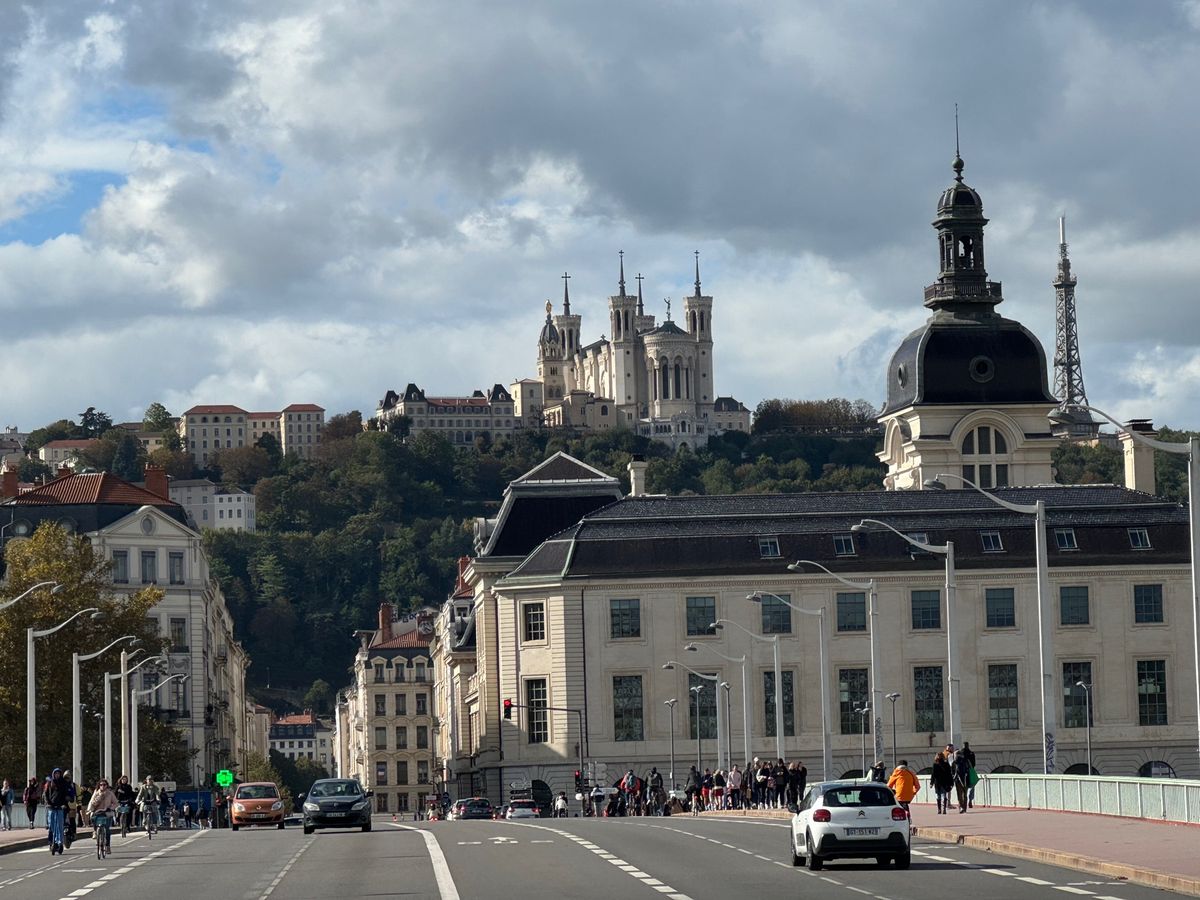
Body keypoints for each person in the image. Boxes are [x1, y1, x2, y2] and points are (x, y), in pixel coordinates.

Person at [43, 768, 70, 854]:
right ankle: (52, 841)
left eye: (58, 774)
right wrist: (48, 803)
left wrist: (65, 804)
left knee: (60, 826)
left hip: (60, 807)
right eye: (56, 774)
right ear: (53, 774)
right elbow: (46, 795)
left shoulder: (63, 783)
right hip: (51, 807)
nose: (57, 775)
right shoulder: (50, 784)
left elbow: (66, 795)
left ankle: (60, 842)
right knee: (51, 825)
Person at [87, 779, 118, 853]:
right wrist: (99, 797)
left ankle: (107, 846)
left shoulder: (110, 793)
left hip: (107, 813)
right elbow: (92, 803)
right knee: (93, 819)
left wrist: (110, 808)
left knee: (107, 829)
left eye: (104, 785)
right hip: (98, 812)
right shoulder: (96, 793)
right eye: (101, 785)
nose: (103, 786)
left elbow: (116, 803)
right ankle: (95, 831)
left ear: (107, 786)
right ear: (99, 786)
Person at [952, 748, 972, 813]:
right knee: (965, 794)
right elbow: (970, 769)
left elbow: (952, 772)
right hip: (965, 779)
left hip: (958, 780)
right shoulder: (966, 760)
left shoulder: (954, 762)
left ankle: (961, 807)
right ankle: (964, 808)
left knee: (959, 794)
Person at [962, 741, 978, 808]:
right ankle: (970, 800)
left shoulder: (961, 753)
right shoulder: (971, 753)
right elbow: (974, 764)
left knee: (963, 788)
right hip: (970, 772)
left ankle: (963, 801)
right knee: (971, 787)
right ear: (968, 746)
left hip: (963, 773)